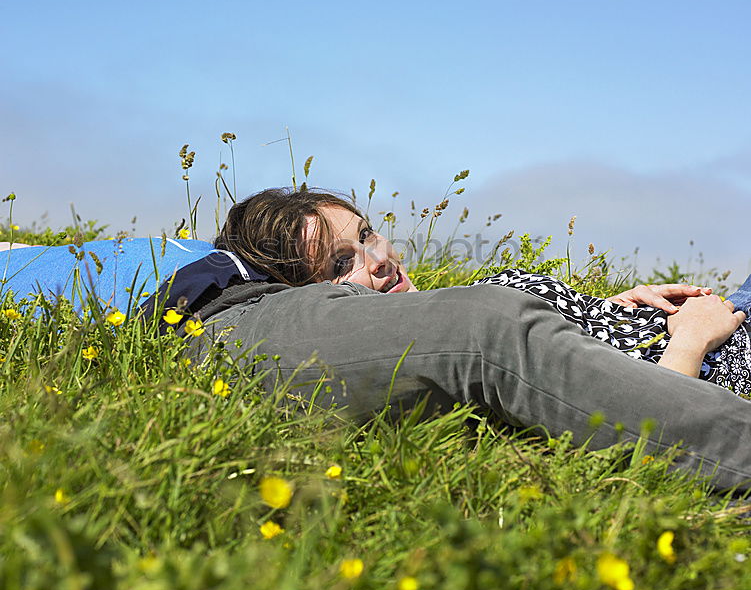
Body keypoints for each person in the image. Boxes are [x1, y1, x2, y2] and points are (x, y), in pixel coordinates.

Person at [181, 188, 751, 492]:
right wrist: (690, 340)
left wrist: (615, 307)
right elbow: (650, 425)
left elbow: (562, 343)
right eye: (341, 263)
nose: (378, 260)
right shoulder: (441, 363)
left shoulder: (465, 293)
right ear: (321, 298)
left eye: (367, 235)